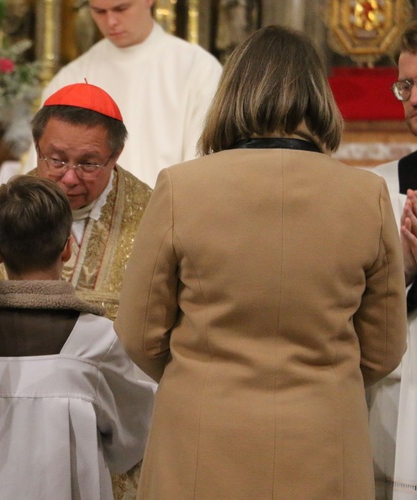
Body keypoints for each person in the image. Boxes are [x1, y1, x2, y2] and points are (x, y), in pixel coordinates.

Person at [114, 25, 407, 499]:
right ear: (320, 97)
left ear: (232, 95)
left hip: (202, 438)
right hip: (323, 442)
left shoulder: (182, 188)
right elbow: (384, 348)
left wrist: (204, 374)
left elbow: (137, 332)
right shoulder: (366, 196)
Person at [0, 82, 152, 499]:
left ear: (115, 157)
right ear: (37, 147)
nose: (70, 177)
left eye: (90, 163)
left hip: (100, 439)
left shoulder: (152, 220)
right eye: (56, 159)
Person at [20, 0, 222, 187]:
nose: (111, 22)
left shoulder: (197, 68)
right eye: (99, 11)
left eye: (121, 9)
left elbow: (203, 162)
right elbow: (42, 166)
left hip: (169, 214)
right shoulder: (72, 76)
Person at [368, 19, 417, 499]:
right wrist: (404, 271)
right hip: (397, 394)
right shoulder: (378, 187)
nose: (414, 98)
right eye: (406, 85)